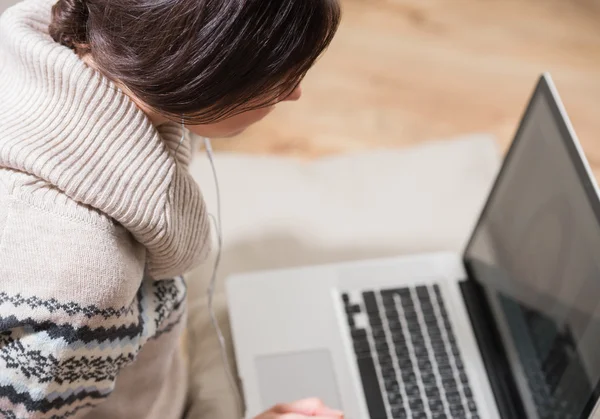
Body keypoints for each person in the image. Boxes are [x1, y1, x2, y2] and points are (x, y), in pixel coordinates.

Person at [0, 0, 341, 416]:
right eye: (277, 70)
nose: (294, 92)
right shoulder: (82, 278)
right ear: (199, 66)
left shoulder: (91, 37)